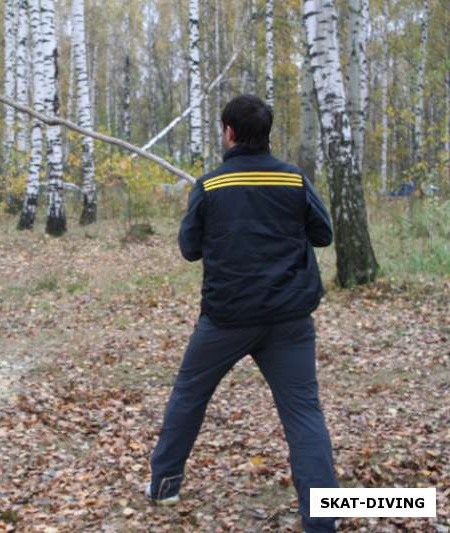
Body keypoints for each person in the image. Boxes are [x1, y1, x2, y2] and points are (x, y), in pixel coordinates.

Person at [145, 95, 339, 532]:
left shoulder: (210, 186)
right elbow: (322, 234)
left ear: (229, 133)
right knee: (304, 415)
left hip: (226, 320)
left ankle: (164, 485)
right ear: (266, 133)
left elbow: (189, 249)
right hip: (289, 319)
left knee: (189, 394)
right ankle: (323, 522)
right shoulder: (294, 180)